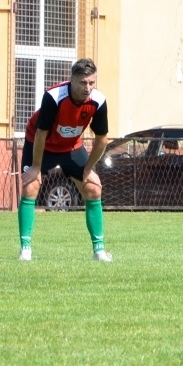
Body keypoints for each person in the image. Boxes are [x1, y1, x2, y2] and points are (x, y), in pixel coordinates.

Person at [18, 59, 112, 262]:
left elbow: (102, 139)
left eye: (92, 83)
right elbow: (41, 133)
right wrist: (36, 167)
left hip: (71, 147)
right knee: (30, 187)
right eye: (83, 83)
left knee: (94, 188)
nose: (88, 88)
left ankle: (99, 251)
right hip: (42, 143)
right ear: (72, 80)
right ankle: (25, 249)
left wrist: (88, 169)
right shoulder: (54, 96)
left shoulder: (98, 101)